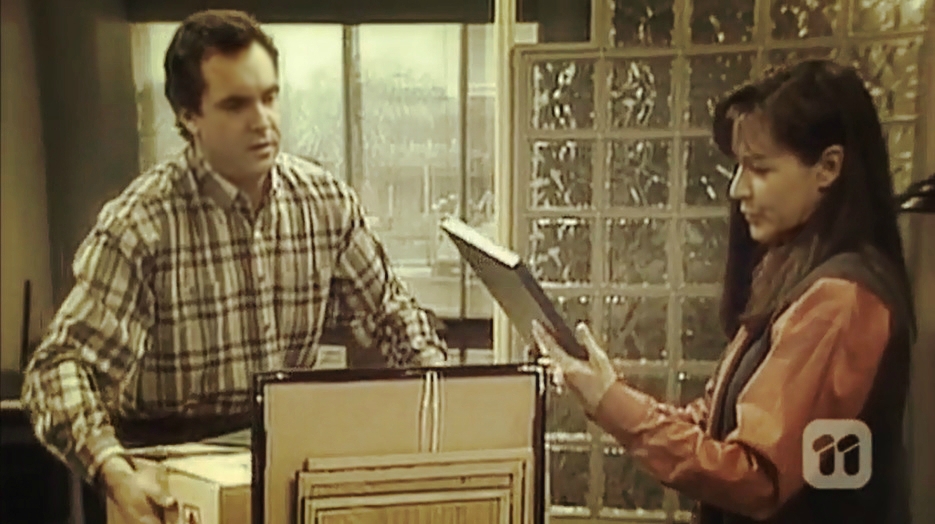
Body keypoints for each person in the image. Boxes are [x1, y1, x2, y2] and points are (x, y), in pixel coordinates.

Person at [21, 9, 447, 524]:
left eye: (269, 97)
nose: (262, 120)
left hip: (285, 456)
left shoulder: (326, 203)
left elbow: (391, 316)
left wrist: (443, 400)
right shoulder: (141, 225)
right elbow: (56, 369)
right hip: (167, 467)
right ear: (189, 116)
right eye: (236, 104)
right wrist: (114, 470)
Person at [532, 59, 916, 524]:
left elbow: (755, 478)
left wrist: (612, 404)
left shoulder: (840, 299)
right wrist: (608, 393)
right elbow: (715, 421)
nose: (737, 189)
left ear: (828, 167)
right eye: (739, 167)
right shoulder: (796, 275)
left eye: (759, 168)